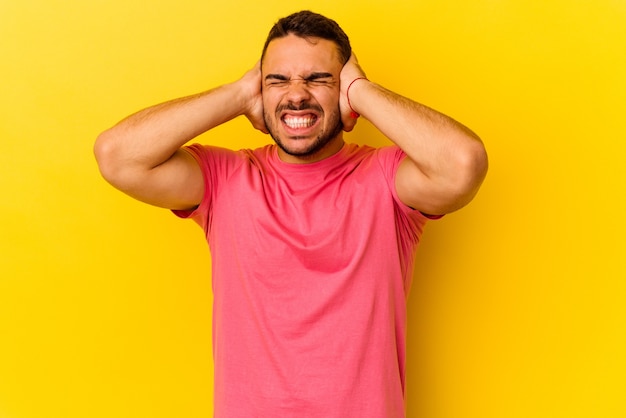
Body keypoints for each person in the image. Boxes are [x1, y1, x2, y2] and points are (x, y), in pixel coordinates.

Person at [94, 10, 488, 418]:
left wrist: (363, 92)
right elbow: (117, 157)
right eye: (278, 80)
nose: (296, 94)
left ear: (344, 90)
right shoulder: (225, 180)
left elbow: (463, 165)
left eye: (319, 79)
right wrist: (239, 94)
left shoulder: (386, 181)